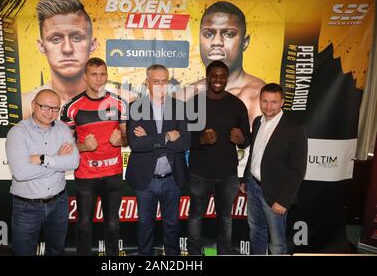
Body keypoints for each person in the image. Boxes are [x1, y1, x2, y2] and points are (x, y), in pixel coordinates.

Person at [60, 57, 128, 256]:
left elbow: (127, 139)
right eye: (94, 74)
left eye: (102, 74)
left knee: (113, 225)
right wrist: (83, 145)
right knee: (83, 225)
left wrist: (121, 140)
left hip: (113, 174)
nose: (99, 79)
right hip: (86, 176)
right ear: (85, 77)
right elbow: (64, 146)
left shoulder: (119, 103)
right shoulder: (72, 107)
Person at [187, 60, 251, 255]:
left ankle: (224, 252)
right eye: (214, 75)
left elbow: (246, 139)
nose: (218, 79)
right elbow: (182, 138)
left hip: (228, 175)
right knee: (196, 217)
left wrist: (242, 139)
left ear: (226, 78)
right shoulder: (194, 103)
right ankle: (194, 255)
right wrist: (201, 140)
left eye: (222, 76)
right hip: (199, 173)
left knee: (225, 218)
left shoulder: (237, 104)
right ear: (207, 77)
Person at [5, 89, 80, 255]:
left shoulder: (63, 129)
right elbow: (21, 173)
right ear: (33, 105)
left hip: (58, 203)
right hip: (26, 206)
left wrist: (42, 159)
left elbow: (74, 162)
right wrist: (57, 161)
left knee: (56, 251)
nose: (50, 113)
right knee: (24, 252)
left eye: (55, 108)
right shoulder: (17, 133)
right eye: (45, 107)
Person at [126, 64, 190, 256]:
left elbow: (185, 143)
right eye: (156, 81)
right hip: (146, 180)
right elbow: (136, 144)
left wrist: (151, 139)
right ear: (147, 83)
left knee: (172, 226)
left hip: (173, 178)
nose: (161, 85)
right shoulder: (135, 107)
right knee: (145, 226)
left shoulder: (180, 107)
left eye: (164, 81)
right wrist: (167, 137)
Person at [239, 83, 308, 255]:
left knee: (277, 243)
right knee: (256, 231)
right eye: (265, 101)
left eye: (274, 102)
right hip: (253, 187)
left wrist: (284, 200)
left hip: (276, 194)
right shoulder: (257, 122)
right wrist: (245, 179)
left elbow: (298, 169)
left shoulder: (295, 128)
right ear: (260, 101)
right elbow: (254, 153)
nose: (268, 106)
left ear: (282, 102)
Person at [179, 1, 265, 125]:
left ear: (245, 43)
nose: (216, 42)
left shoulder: (257, 95)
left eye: (229, 34)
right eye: (208, 34)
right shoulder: (185, 95)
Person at [22, 0, 97, 119]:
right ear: (41, 46)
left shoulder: (120, 100)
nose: (67, 49)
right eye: (56, 39)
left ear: (92, 44)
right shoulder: (26, 105)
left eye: (77, 38)